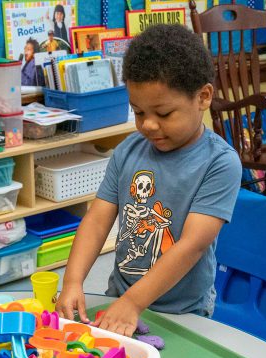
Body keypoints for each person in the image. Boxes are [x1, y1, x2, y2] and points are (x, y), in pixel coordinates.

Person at [55, 24, 242, 337]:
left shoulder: (220, 163)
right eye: (138, 112)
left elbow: (191, 247)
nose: (149, 125)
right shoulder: (129, 149)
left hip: (183, 310)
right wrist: (73, 281)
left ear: (204, 97)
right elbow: (98, 221)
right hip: (122, 294)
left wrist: (133, 302)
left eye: (165, 113)